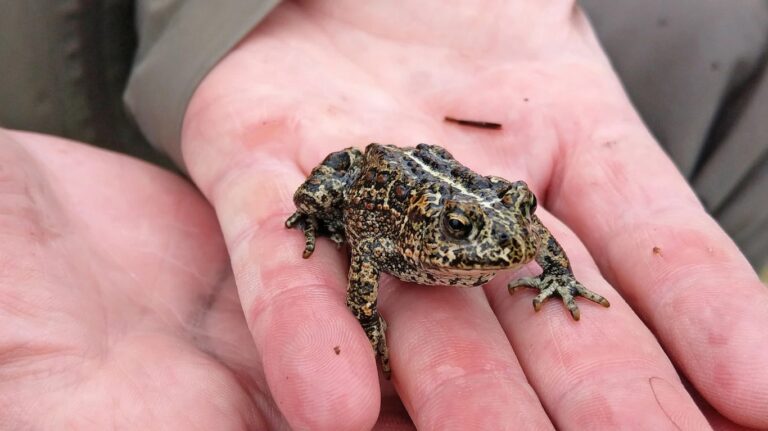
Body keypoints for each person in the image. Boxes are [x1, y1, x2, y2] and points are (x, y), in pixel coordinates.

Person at [0, 1, 766, 429]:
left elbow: (529, 235)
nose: (510, 241)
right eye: (472, 236)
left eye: (513, 220)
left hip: (446, 169)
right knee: (323, 199)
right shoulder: (405, 240)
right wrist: (365, 318)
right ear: (440, 237)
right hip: (377, 172)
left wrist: (558, 279)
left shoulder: (507, 228)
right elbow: (364, 251)